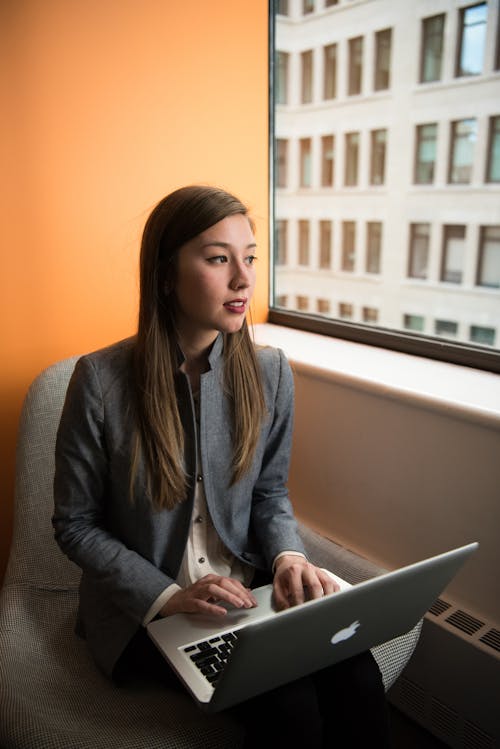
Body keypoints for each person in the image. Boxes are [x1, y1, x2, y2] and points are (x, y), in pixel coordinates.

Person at [52, 184, 391, 747]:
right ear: (166, 273)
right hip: (148, 610)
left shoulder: (270, 372)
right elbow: (74, 524)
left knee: (357, 676)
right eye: (218, 258)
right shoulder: (99, 381)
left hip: (246, 591)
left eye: (250, 258)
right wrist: (166, 597)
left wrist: (286, 555)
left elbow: (269, 492)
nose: (243, 278)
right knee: (293, 712)